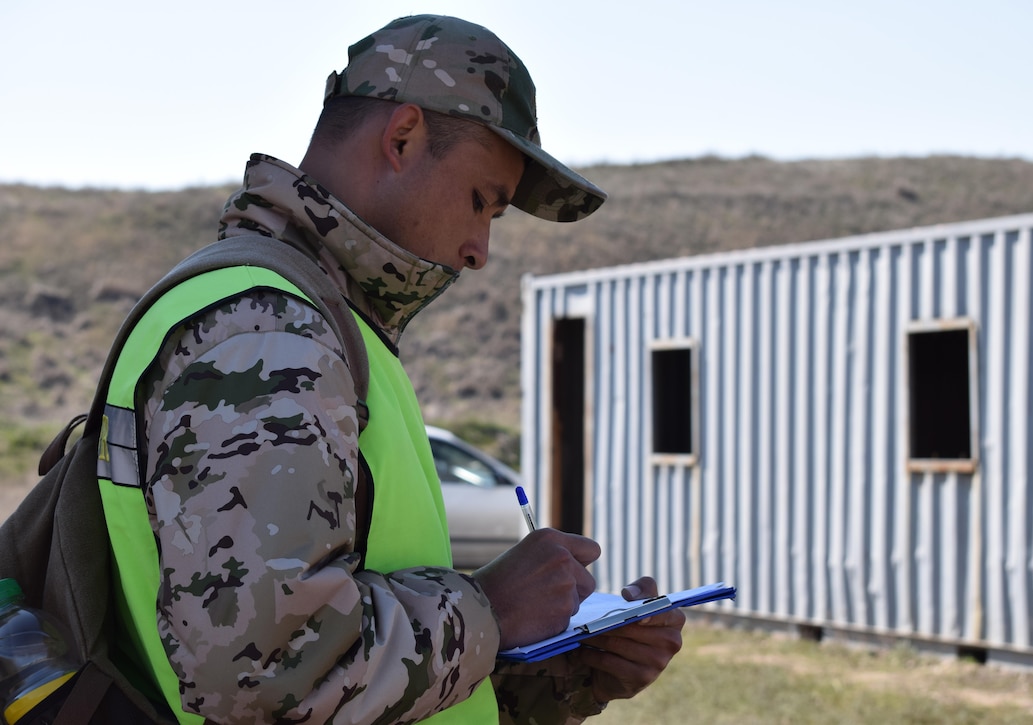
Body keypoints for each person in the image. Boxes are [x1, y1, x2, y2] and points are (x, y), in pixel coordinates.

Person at [97, 14, 684, 724]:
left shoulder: (326, 322)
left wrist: (573, 672)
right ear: (402, 137)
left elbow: (359, 683)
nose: (479, 251)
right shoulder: (266, 328)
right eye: (481, 201)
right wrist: (493, 606)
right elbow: (263, 676)